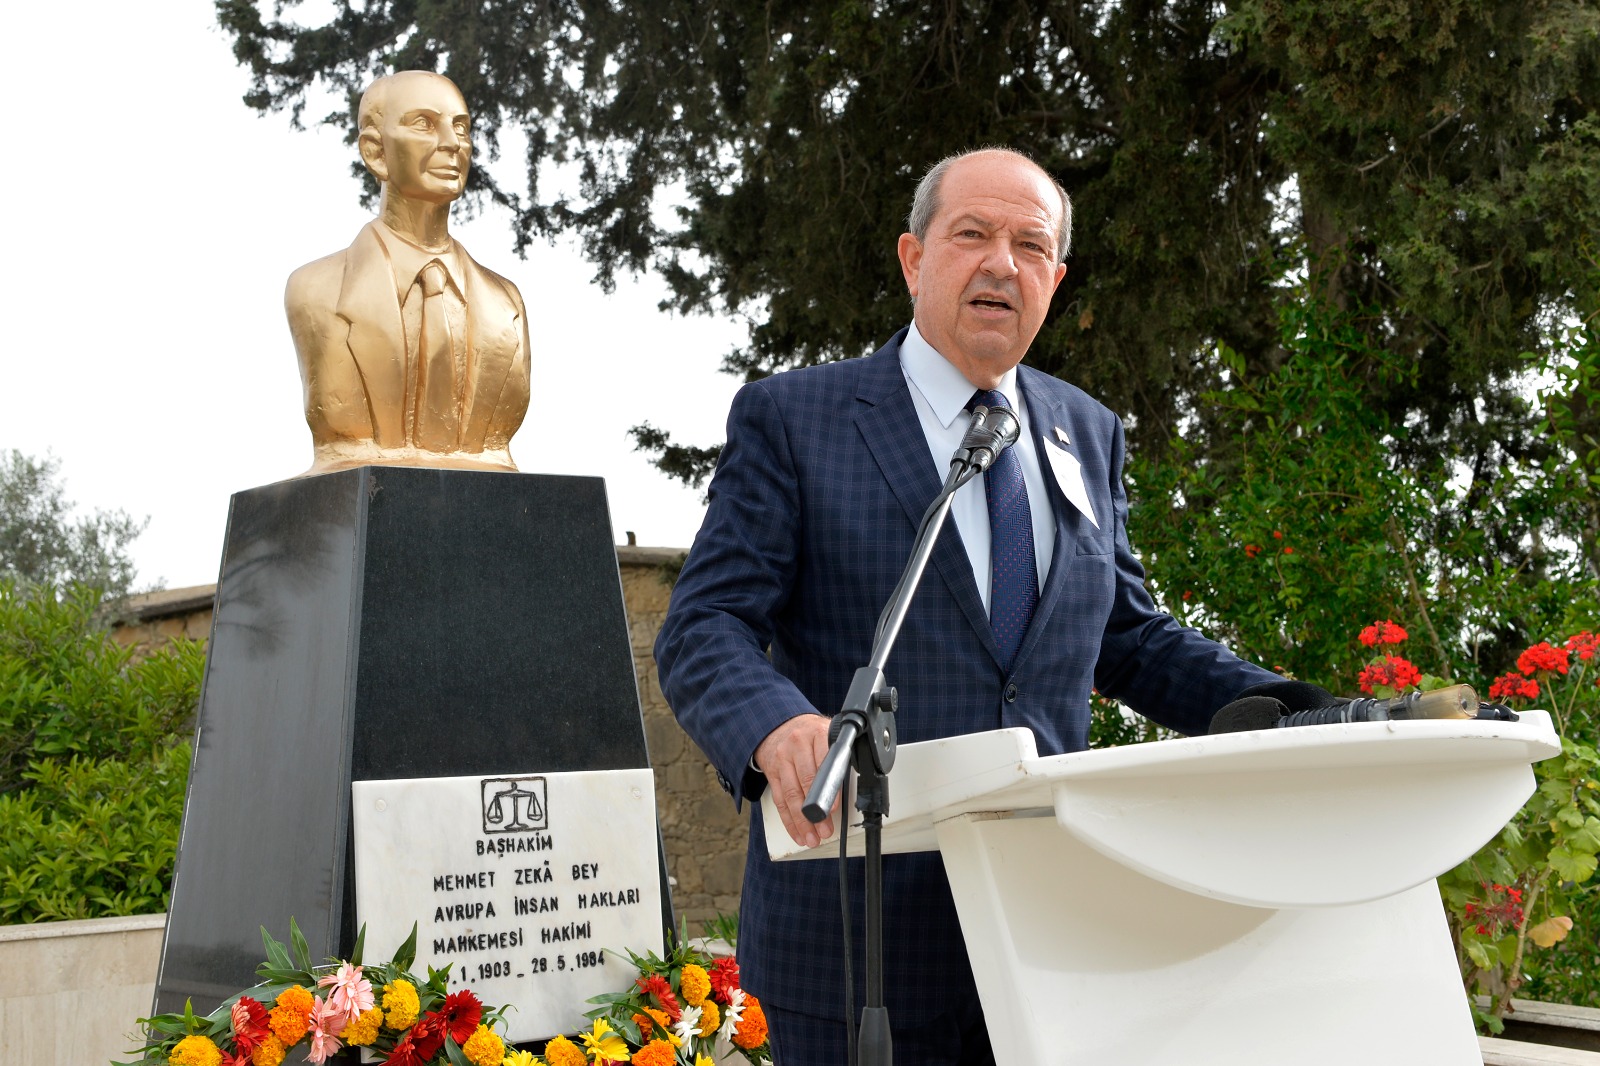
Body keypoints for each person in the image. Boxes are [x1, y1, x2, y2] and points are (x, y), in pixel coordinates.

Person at [654, 147, 1285, 1064]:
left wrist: (1300, 711)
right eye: (973, 234)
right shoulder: (796, 419)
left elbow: (1130, 639)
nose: (1002, 263)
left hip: (1044, 939)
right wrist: (775, 725)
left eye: (1031, 245)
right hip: (856, 949)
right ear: (914, 258)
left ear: (1055, 281)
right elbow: (704, 624)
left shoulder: (1085, 430)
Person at [285, 70, 531, 475]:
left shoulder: (507, 303)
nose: (452, 143)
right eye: (424, 124)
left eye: (461, 128)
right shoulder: (314, 291)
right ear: (375, 152)